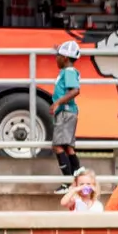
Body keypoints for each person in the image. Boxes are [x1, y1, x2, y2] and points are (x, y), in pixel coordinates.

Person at [50, 40, 82, 192]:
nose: (56, 58)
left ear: (66, 58)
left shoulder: (69, 71)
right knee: (68, 147)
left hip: (65, 112)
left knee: (57, 146)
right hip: (67, 112)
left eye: (58, 56)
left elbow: (75, 90)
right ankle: (77, 181)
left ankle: (68, 183)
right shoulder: (67, 70)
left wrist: (57, 103)